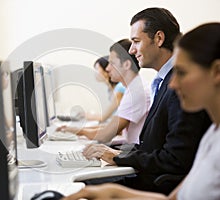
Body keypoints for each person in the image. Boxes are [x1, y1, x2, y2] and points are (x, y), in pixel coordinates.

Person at [63, 22, 220, 200]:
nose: (174, 84)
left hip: (152, 174)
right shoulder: (213, 135)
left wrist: (116, 156)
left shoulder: (139, 91)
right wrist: (116, 193)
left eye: (182, 72)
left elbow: (172, 159)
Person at [58, 39, 151, 145]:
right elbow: (109, 128)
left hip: (135, 152)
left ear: (126, 64)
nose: (107, 68)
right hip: (131, 147)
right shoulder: (134, 87)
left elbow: (106, 135)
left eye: (112, 63)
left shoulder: (136, 92)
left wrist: (78, 131)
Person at [85, 56, 126, 123]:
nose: (95, 73)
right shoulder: (111, 89)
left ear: (107, 69)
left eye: (97, 69)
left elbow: (105, 117)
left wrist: (86, 115)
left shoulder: (120, 88)